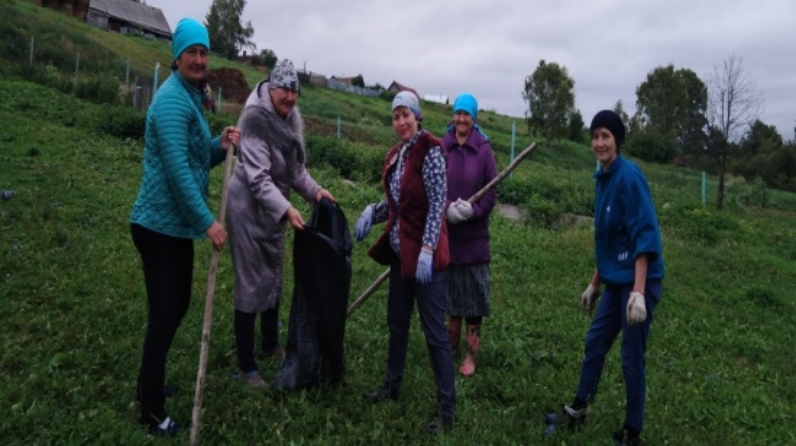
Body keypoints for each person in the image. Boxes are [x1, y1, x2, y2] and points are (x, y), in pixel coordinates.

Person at [129, 18, 240, 436]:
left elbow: (195, 157)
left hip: (171, 227)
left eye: (203, 52)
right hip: (160, 227)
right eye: (191, 52)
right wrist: (207, 222)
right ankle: (152, 411)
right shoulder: (174, 101)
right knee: (166, 313)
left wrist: (220, 145)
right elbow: (177, 171)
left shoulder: (191, 96)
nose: (198, 59)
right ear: (176, 56)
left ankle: (149, 385)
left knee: (173, 308)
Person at [545, 110, 664, 446]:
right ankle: (579, 408)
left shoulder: (629, 178)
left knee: (631, 355)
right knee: (595, 341)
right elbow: (607, 238)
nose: (599, 142)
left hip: (640, 280)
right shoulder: (603, 176)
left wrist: (638, 293)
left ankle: (632, 432)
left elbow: (644, 236)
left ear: (618, 141)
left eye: (606, 136)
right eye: (595, 136)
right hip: (616, 280)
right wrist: (595, 284)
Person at [226, 59, 334, 388]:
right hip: (246, 210)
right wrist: (287, 210)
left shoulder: (290, 120)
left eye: (294, 91)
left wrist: (316, 193)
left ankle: (270, 344)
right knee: (250, 283)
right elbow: (258, 180)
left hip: (273, 211)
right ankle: (247, 366)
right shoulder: (255, 120)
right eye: (284, 89)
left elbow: (296, 171)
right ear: (271, 87)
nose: (289, 97)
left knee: (272, 275)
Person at [355, 91, 456, 434]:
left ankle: (447, 407)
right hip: (402, 258)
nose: (400, 122)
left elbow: (437, 204)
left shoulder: (431, 150)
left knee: (434, 334)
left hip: (427, 262)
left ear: (418, 116)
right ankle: (392, 383)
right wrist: (374, 210)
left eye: (405, 115)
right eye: (395, 116)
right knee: (396, 323)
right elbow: (399, 205)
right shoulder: (397, 155)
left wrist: (428, 247)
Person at [441, 93, 497, 377]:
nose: (462, 119)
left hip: (475, 242)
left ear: (474, 118)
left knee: (473, 306)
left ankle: (471, 356)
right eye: (458, 113)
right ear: (454, 116)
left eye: (467, 114)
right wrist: (448, 209)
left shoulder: (483, 149)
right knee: (452, 304)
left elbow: (491, 193)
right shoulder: (443, 146)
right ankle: (449, 353)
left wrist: (472, 212)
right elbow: (434, 186)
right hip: (450, 239)